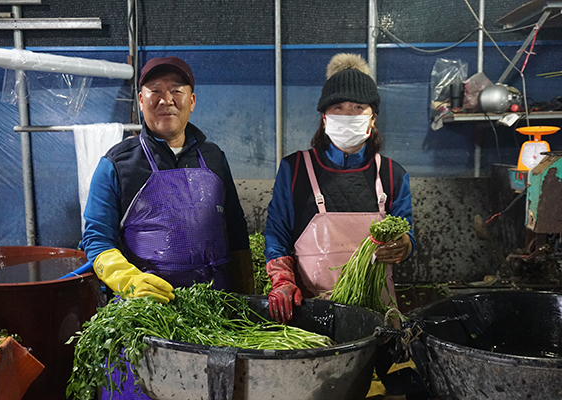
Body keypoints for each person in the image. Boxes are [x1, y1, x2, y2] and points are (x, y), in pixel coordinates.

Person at [82, 55, 253, 300]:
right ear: (141, 100)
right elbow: (97, 238)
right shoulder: (116, 164)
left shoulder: (214, 157)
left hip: (217, 307)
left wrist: (248, 296)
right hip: (146, 311)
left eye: (176, 90)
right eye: (155, 91)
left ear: (192, 101)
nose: (166, 100)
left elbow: (236, 231)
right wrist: (128, 280)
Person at [264, 53, 416, 325]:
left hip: (376, 312)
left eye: (358, 108)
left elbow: (407, 233)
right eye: (338, 108)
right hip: (310, 310)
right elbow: (277, 235)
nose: (348, 115)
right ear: (324, 117)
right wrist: (283, 280)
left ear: (373, 118)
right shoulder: (295, 169)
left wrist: (404, 245)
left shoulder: (393, 174)